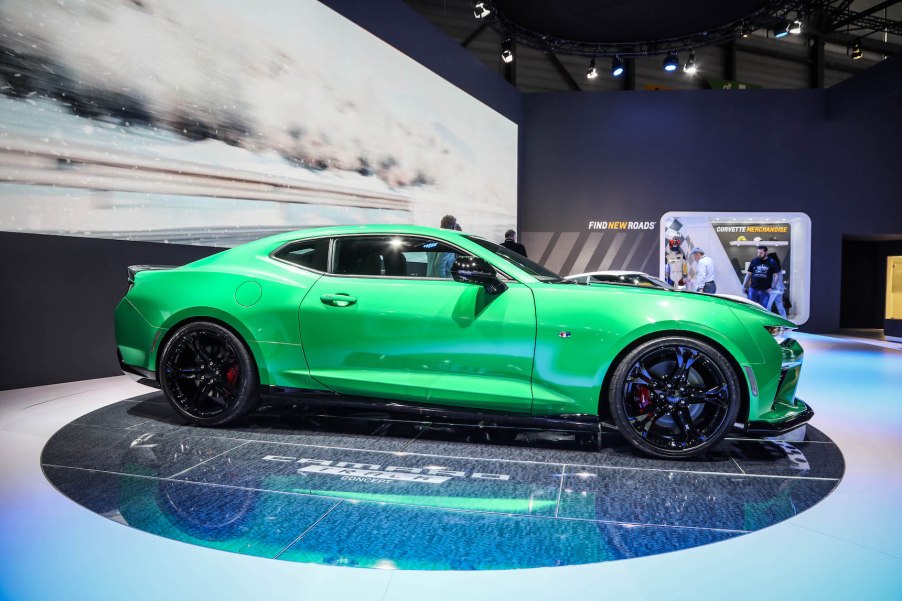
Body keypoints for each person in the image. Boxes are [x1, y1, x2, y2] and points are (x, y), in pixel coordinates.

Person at [765, 252, 787, 318]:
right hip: (780, 289)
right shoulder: (778, 267)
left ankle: (768, 322)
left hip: (774, 290)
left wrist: (771, 288)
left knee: (767, 306)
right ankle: (785, 323)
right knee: (780, 307)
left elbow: (774, 278)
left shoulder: (772, 267)